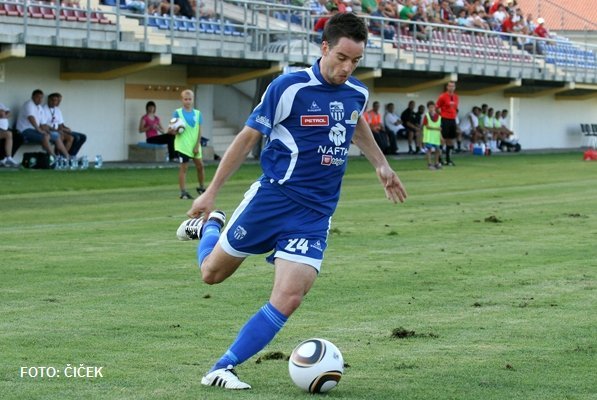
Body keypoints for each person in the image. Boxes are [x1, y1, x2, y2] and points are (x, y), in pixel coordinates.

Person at [175, 12, 407, 390]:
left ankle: (223, 367)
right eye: (341, 58)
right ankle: (211, 225)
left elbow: (355, 122)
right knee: (212, 274)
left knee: (290, 296)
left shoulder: (356, 92)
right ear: (324, 48)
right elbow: (247, 139)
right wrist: (211, 191)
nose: (347, 68)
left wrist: (381, 164)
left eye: (356, 61)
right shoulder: (288, 87)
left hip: (315, 214)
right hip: (272, 200)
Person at [170, 89, 206, 199]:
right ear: (182, 100)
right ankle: (183, 192)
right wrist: (174, 131)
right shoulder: (177, 113)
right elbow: (171, 128)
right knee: (184, 168)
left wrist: (197, 145)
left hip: (195, 145)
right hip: (183, 145)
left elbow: (199, 130)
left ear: (192, 100)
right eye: (185, 99)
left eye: (189, 99)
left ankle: (201, 187)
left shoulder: (198, 114)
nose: (188, 101)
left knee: (200, 166)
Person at [16, 89, 70, 160]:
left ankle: (67, 157)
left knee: (56, 135)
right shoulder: (29, 104)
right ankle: (54, 157)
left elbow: (43, 124)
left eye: (41, 98)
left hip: (34, 130)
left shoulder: (39, 107)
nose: (40, 99)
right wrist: (39, 130)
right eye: (37, 97)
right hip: (24, 130)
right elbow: (31, 118)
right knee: (45, 136)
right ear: (32, 97)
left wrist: (52, 131)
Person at [45, 93, 87, 158]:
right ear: (49, 100)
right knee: (74, 137)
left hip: (59, 130)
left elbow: (61, 124)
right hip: (51, 131)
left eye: (58, 101)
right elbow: (44, 125)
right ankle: (64, 157)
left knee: (83, 137)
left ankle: (71, 156)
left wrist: (66, 129)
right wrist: (60, 130)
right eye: (54, 100)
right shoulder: (44, 109)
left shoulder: (57, 110)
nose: (56, 102)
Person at [436, 81, 459, 165]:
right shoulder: (442, 96)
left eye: (453, 86)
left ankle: (448, 159)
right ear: (447, 87)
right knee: (442, 139)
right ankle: (439, 159)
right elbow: (437, 107)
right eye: (450, 86)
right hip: (445, 119)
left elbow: (455, 108)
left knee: (451, 139)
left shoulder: (456, 97)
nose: (451, 87)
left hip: (452, 120)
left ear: (455, 87)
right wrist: (441, 115)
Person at [422, 101, 442, 170]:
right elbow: (427, 126)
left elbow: (439, 127)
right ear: (428, 108)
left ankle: (436, 163)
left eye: (432, 107)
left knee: (438, 150)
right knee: (429, 150)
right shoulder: (426, 116)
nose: (431, 109)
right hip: (429, 137)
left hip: (436, 137)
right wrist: (436, 128)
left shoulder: (439, 116)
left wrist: (441, 137)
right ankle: (429, 164)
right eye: (430, 107)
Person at [0, 103, 19, 167]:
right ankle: (6, 158)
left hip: (4, 129)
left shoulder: (1, 104)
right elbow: (1, 113)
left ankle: (7, 158)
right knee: (8, 134)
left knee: (18, 136)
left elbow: (9, 113)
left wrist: (4, 116)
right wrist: (2, 113)